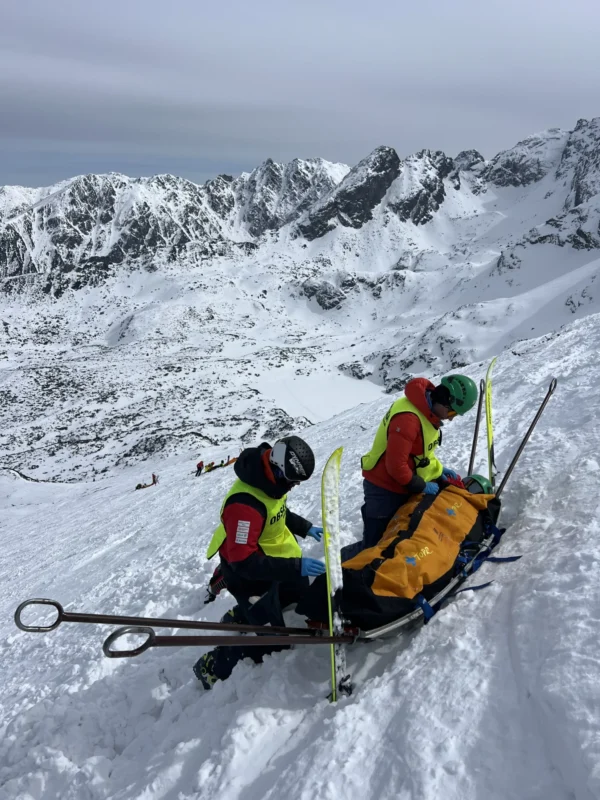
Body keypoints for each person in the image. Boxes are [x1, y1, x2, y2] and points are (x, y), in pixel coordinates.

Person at [193, 435, 324, 689]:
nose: (294, 487)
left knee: (296, 592)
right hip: (248, 574)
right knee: (274, 642)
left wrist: (305, 528)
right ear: (277, 469)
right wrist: (296, 566)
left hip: (273, 557)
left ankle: (242, 614)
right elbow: (246, 563)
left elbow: (277, 512)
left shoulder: (270, 482)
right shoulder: (244, 506)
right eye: (293, 481)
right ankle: (214, 664)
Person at [359, 374, 478, 549]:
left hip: (401, 484)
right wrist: (422, 486)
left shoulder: (426, 412)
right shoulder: (408, 419)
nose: (451, 418)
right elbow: (396, 466)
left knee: (394, 539)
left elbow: (420, 453)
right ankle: (339, 571)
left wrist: (439, 470)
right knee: (374, 545)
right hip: (383, 488)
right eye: (452, 412)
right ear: (444, 401)